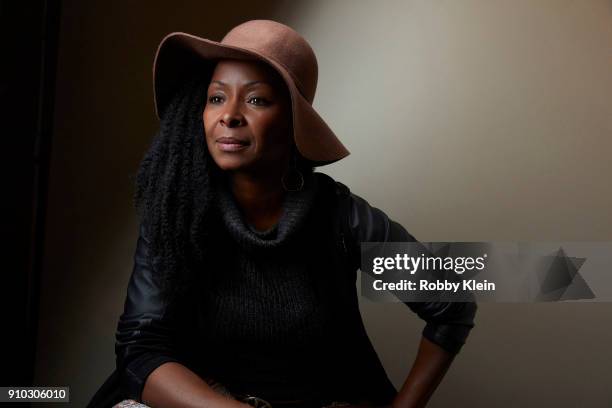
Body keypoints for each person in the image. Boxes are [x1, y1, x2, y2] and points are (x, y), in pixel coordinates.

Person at [93, 20, 477, 408]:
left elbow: (452, 303)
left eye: (256, 100)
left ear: (294, 120)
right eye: (216, 98)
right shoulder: (175, 209)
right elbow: (141, 350)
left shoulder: (340, 216)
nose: (229, 115)